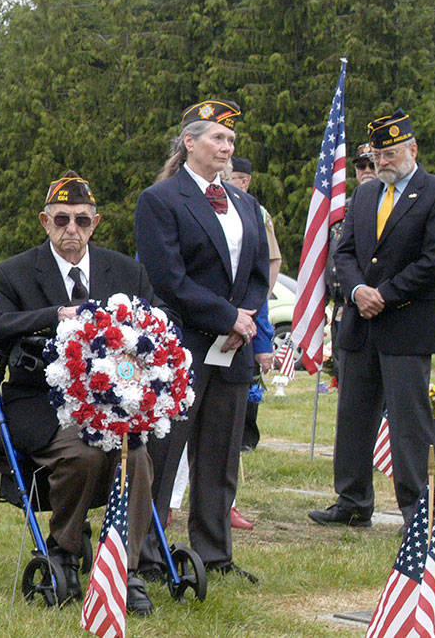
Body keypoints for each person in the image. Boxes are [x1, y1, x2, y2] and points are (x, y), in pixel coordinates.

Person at [0, 172, 158, 616]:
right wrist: (54, 315)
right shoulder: (15, 272)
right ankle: (64, 549)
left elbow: (157, 323)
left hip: (109, 404)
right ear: (45, 221)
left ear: (95, 223)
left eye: (81, 220)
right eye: (61, 219)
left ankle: (126, 570)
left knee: (133, 456)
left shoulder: (126, 271)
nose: (71, 230)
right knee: (84, 454)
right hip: (41, 402)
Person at [133, 99, 270, 583]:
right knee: (165, 455)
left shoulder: (245, 203)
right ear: (190, 142)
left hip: (235, 349)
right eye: (218, 138)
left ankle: (214, 553)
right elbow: (169, 279)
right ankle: (147, 553)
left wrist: (245, 319)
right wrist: (228, 316)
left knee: (221, 454)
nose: (227, 148)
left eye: (231, 141)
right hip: (182, 346)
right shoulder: (161, 200)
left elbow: (258, 271)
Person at [310, 110, 435, 528]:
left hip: (406, 324)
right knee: (354, 416)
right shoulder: (364, 195)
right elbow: (344, 252)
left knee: (409, 422)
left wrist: (384, 295)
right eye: (377, 157)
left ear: (413, 149)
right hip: (360, 324)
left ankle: (415, 507)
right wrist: (358, 291)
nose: (382, 163)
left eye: (390, 154)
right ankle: (352, 500)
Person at [227, 156, 281, 457]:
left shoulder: (256, 212)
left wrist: (258, 301)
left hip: (253, 303)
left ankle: (247, 434)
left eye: (230, 175)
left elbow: (272, 261)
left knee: (251, 374)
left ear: (244, 180)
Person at [324, 142, 378, 384]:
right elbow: (331, 258)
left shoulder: (393, 207)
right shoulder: (340, 211)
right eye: (360, 166)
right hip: (343, 309)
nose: (366, 170)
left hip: (377, 305)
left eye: (372, 164)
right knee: (346, 378)